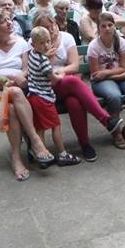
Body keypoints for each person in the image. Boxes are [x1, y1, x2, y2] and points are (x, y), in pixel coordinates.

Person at [30, 10, 123, 162]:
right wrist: (53, 61)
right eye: (46, 27)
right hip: (46, 87)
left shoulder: (66, 37)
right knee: (72, 81)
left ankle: (85, 144)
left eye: (52, 24)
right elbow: (41, 72)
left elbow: (74, 67)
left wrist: (60, 71)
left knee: (74, 102)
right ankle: (106, 120)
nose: (51, 29)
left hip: (64, 84)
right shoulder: (36, 43)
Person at [0, 9, 56, 181]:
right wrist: (10, 78)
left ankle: (17, 158)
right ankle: (35, 141)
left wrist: (16, 79)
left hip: (19, 86)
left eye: (10, 19)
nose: (10, 23)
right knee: (15, 92)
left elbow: (26, 70)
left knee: (11, 109)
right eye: (4, 21)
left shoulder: (20, 42)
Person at [88, 13, 125, 150]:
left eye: (110, 25)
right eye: (103, 26)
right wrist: (117, 76)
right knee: (114, 96)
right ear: (99, 29)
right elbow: (96, 74)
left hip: (117, 76)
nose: (107, 28)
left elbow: (123, 67)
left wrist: (107, 74)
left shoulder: (121, 42)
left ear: (114, 26)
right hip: (101, 81)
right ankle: (116, 132)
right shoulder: (94, 46)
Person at [27, 27, 81, 167]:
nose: (46, 45)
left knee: (40, 128)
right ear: (33, 44)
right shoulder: (43, 60)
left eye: (48, 41)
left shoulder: (33, 54)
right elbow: (53, 78)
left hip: (33, 95)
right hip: (43, 97)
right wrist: (61, 75)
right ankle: (62, 154)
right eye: (41, 43)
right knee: (56, 125)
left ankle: (43, 156)